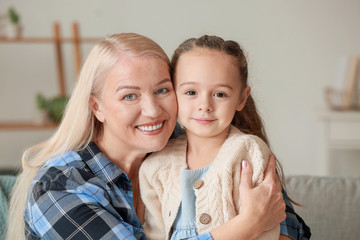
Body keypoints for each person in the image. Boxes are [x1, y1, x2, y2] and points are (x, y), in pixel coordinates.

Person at [6, 33, 302, 240]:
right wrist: (246, 226)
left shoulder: (182, 143)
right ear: (97, 107)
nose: (152, 111)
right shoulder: (61, 187)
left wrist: (266, 224)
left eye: (162, 90)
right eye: (130, 95)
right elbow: (258, 216)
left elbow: (283, 216)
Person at [139, 35, 310, 240]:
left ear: (241, 98)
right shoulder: (154, 166)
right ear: (173, 93)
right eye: (191, 92)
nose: (205, 105)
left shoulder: (250, 152)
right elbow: (154, 234)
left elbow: (268, 227)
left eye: (220, 94)